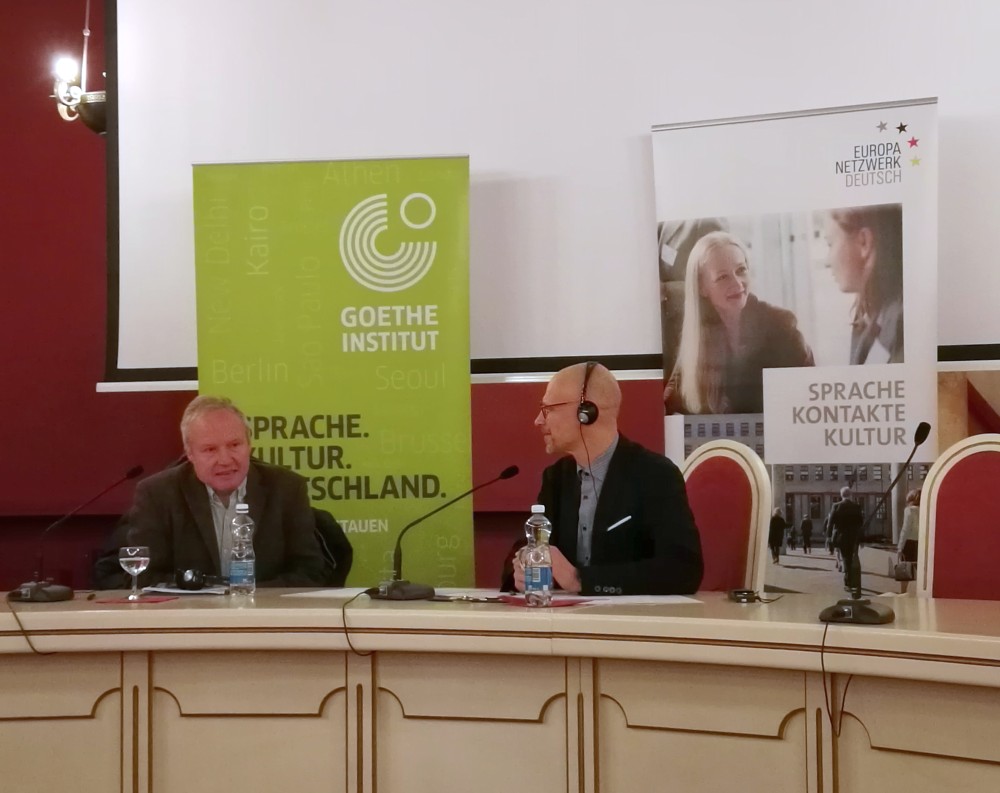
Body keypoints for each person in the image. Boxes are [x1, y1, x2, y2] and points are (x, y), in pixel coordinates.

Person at [502, 362, 703, 596]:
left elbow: (683, 570)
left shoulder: (656, 475)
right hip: (566, 616)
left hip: (634, 617)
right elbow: (527, 545)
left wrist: (579, 579)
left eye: (549, 409)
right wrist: (521, 569)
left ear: (586, 412)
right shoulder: (556, 477)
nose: (538, 420)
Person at [101, 395, 329, 588]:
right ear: (190, 454)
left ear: (249, 445)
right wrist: (213, 592)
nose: (225, 460)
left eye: (234, 445)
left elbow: (311, 572)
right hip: (189, 619)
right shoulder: (157, 494)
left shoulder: (286, 488)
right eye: (210, 449)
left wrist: (245, 595)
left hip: (265, 617)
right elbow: (144, 577)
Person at [665, 230, 814, 414]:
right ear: (702, 287)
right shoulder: (697, 337)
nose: (737, 284)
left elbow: (807, 397)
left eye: (741, 270)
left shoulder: (782, 326)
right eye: (723, 277)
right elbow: (671, 402)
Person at [823, 204, 904, 365]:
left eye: (830, 244)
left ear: (864, 243)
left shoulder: (902, 325)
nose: (827, 261)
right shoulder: (869, 315)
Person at [828, 486, 865, 592]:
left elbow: (830, 523)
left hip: (841, 537)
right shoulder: (856, 506)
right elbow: (860, 524)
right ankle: (854, 581)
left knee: (846, 558)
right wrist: (861, 539)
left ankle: (848, 583)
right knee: (853, 558)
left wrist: (829, 536)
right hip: (854, 537)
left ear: (841, 495)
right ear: (850, 495)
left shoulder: (836, 506)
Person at [897, 488, 920, 563]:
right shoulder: (925, 510)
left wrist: (900, 547)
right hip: (921, 543)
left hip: (909, 544)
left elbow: (906, 529)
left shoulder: (909, 510)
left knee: (908, 566)